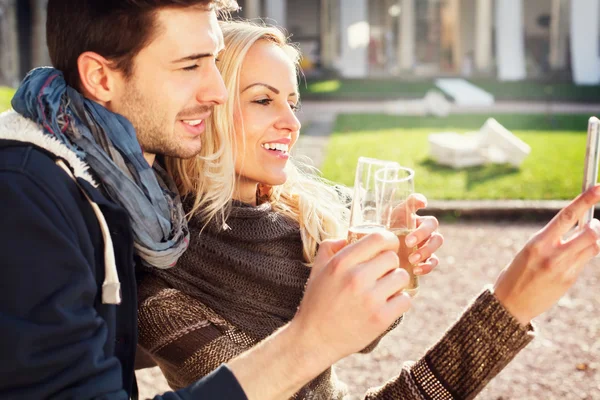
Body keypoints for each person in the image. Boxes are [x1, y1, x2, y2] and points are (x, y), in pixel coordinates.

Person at [136, 20, 600, 400]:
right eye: (263, 99)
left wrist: (391, 276)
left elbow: (360, 338)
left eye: (293, 102)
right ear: (207, 108)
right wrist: (509, 305)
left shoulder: (302, 220)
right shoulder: (166, 287)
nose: (292, 122)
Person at [0, 2, 432, 399]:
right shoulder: (28, 199)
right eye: (190, 66)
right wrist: (309, 339)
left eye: (213, 62)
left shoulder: (133, 199)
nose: (218, 92)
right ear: (100, 77)